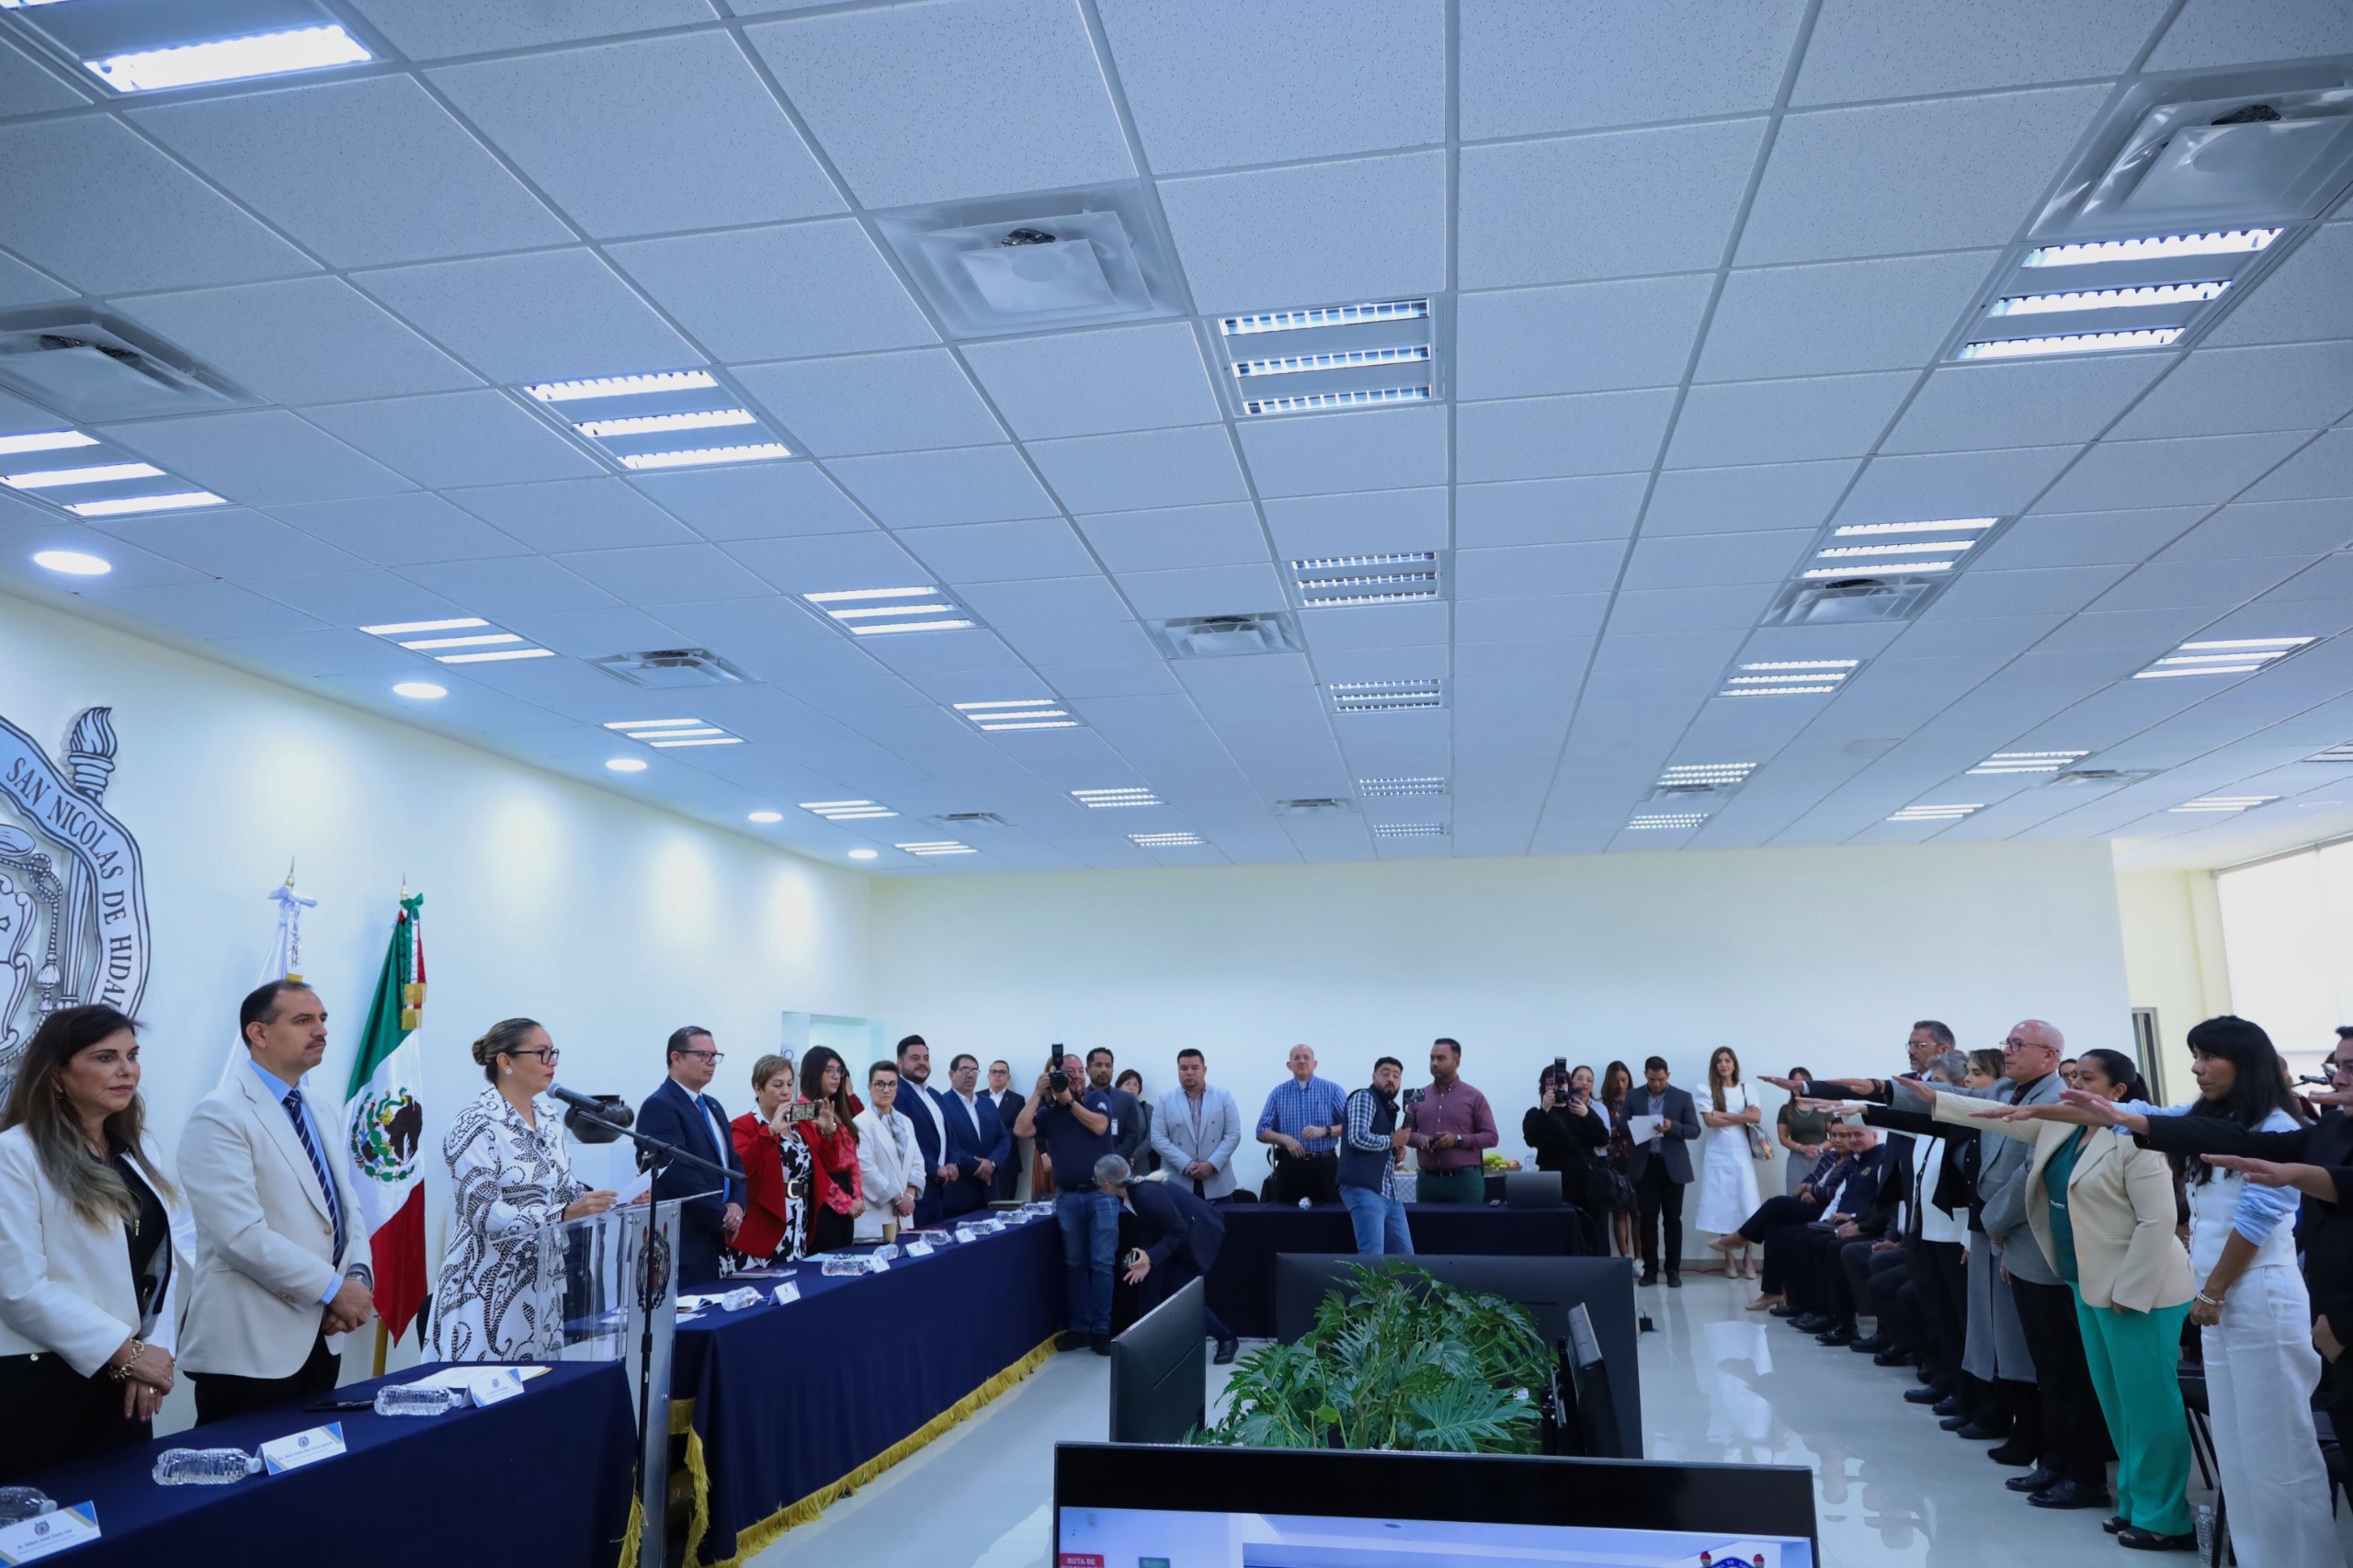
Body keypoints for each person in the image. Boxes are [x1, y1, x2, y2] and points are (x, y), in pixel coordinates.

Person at [2040, 1017, 2337, 1564]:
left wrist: (2213, 1292)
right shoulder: (2212, 1118)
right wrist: (2021, 1111)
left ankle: (2301, 1559)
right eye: (2194, 1056)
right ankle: (2254, 1555)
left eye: (2207, 1057)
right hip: (2218, 1298)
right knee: (2237, 1446)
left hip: (2259, 1295)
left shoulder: (2277, 1126)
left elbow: (2257, 1219)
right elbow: (2132, 1115)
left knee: (2276, 1447)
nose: (2197, 1068)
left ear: (2245, 1062)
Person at [1959, 1048, 2197, 1550]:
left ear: (2118, 1092)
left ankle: (2166, 1518)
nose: (2073, 1086)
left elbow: (2159, 1221)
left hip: (2142, 1292)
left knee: (2150, 1405)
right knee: (2117, 1404)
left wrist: (2130, 1291)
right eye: (2070, 1077)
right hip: (2087, 1284)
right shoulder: (2066, 1130)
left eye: (2086, 1079)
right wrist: (1916, 1098)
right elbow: (1991, 1116)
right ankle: (2135, 1502)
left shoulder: (2137, 1140)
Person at [0, 1006, 191, 1477]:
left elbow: (160, 1266)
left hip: (125, 1381)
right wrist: (129, 1353)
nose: (127, 1070)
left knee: (127, 1510)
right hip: (42, 1379)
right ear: (57, 1076)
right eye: (106, 1057)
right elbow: (19, 1288)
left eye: (132, 1055)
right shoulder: (14, 1154)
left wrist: (154, 1353)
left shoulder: (141, 1149)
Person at [180, 981, 374, 1423]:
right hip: (251, 1346)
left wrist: (357, 1278)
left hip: (323, 1336)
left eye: (322, 1019)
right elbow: (240, 1236)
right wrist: (334, 1290)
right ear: (259, 1033)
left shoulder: (319, 1107)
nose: (321, 1030)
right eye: (303, 1020)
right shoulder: (220, 1113)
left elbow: (348, 1211)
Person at [429, 1019, 617, 1361]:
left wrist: (612, 1202)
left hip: (542, 1283)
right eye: (542, 1053)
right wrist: (561, 1214)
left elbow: (564, 1189)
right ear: (506, 1061)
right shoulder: (475, 1123)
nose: (553, 1061)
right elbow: (482, 1213)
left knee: (540, 1387)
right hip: (484, 1287)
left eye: (553, 1052)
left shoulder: (548, 1118)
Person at [1017, 1052, 1118, 1353]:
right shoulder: (1049, 1113)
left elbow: (1099, 1127)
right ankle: (1079, 1328)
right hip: (1068, 1197)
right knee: (1075, 1264)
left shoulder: (1097, 1098)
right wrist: (1038, 1094)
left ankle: (1102, 1330)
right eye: (1065, 1072)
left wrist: (1069, 1102)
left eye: (1077, 1070)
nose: (1073, 1076)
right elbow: (1021, 1130)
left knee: (1102, 1263)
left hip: (1101, 1195)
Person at [1098, 1153, 1239, 1364]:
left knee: (1180, 1296)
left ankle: (1226, 1337)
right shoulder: (1132, 1193)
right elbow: (1152, 1226)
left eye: (1097, 1179)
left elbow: (1179, 1229)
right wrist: (1146, 1257)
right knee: (1149, 1285)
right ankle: (1146, 1346)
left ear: (1107, 1185)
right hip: (1174, 1240)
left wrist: (1150, 1256)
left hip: (1196, 1235)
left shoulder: (1145, 1194)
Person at [636, 1027, 745, 1289]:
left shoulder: (713, 1105)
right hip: (683, 1239)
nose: (712, 1062)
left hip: (714, 1238)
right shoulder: (660, 1105)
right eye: (703, 1055)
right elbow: (678, 1174)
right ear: (676, 1057)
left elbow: (733, 1162)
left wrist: (738, 1205)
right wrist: (723, 1215)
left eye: (715, 1055)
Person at [729, 1053, 813, 1267]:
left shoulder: (799, 1123)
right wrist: (771, 1131)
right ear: (758, 1089)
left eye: (790, 1084)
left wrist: (830, 1131)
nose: (786, 1091)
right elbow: (741, 1168)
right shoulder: (743, 1125)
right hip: (763, 1225)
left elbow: (827, 1164)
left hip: (798, 1220)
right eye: (777, 1085)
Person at [1624, 1056, 1699, 1287]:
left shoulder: (1682, 1097)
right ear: (1645, 1075)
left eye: (1661, 1079)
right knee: (1647, 1219)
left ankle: (1673, 1270)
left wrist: (1671, 1127)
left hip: (1673, 1166)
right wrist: (1641, 1126)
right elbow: (1621, 1126)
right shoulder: (1633, 1096)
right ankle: (1650, 1269)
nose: (1657, 1084)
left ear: (1668, 1075)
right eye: (1652, 1079)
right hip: (1645, 1165)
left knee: (1672, 1220)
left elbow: (1694, 1130)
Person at [1694, 1047, 1765, 1278]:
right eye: (1719, 1061)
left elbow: (1755, 1117)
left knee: (1747, 1201)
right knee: (1722, 1202)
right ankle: (1729, 1256)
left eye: (1727, 1060)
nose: (1723, 1064)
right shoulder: (1706, 1089)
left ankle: (1748, 1255)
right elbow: (1710, 1122)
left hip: (1742, 1151)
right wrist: (1740, 1117)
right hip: (1718, 1153)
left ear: (1734, 1064)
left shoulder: (1747, 1089)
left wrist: (1722, 1114)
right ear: (1714, 1066)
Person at [1404, 1038, 1496, 1206]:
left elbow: (1491, 1137)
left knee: (1468, 1224)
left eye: (1441, 1058)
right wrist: (1422, 1140)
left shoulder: (1474, 1096)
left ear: (1457, 1062)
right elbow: (1405, 1134)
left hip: (1465, 1183)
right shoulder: (1417, 1096)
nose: (1434, 1063)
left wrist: (1458, 1140)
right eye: (1432, 1058)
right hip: (1428, 1183)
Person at [1339, 1057, 1415, 1257]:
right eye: (1385, 1073)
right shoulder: (1365, 1097)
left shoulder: (1387, 1108)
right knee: (1372, 1258)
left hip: (1389, 1193)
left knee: (1405, 1258)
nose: (1391, 1079)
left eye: (1396, 1076)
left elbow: (1378, 1143)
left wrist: (1395, 1152)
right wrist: (1392, 1141)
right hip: (1364, 1189)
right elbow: (1357, 1137)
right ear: (1374, 1076)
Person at [1256, 1044, 1347, 1204]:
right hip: (1290, 1166)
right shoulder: (1278, 1093)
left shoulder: (1332, 1090)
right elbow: (1261, 1131)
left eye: (1306, 1057)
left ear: (1315, 1064)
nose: (1302, 1061)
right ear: (1289, 1065)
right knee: (1286, 1215)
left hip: (1325, 1167)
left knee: (1331, 1213)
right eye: (1296, 1058)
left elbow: (1352, 1127)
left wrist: (1325, 1131)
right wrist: (1285, 1139)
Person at [1522, 1062, 1608, 1224]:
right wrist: (1544, 1110)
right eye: (1551, 1084)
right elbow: (1532, 1140)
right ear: (1543, 1088)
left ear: (1569, 1086)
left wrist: (1587, 1115)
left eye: (1562, 1083)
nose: (1557, 1088)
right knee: (1555, 1228)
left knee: (1591, 1229)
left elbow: (1603, 1139)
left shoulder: (1579, 1110)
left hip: (1586, 1182)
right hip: (1553, 1183)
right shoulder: (1536, 1114)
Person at [795, 1048, 862, 1254]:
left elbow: (853, 1159)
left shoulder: (838, 1108)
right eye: (829, 1070)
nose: (836, 1076)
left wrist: (857, 1195)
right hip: (822, 1196)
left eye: (839, 1070)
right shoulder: (802, 1109)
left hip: (846, 1190)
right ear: (813, 1072)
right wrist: (845, 1202)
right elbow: (815, 1168)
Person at [1152, 1049, 1241, 1201]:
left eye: (1195, 1068)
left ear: (1204, 1070)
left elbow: (1233, 1135)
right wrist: (1187, 1165)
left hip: (1218, 1181)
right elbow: (1157, 1139)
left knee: (1221, 1218)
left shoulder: (1223, 1097)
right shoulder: (1165, 1100)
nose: (1189, 1073)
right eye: (1184, 1068)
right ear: (1178, 1070)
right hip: (1177, 1181)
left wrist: (1211, 1164)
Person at [853, 1062, 922, 1244]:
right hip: (875, 1218)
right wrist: (897, 1199)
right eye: (880, 1084)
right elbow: (864, 1169)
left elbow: (917, 1162)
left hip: (905, 1215)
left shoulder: (905, 1122)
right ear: (869, 1087)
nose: (886, 1090)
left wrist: (909, 1196)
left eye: (892, 1084)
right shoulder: (860, 1123)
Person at [938, 1053, 1011, 1218]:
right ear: (951, 1074)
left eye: (974, 1070)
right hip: (959, 1191)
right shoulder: (941, 1104)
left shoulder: (988, 1104)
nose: (970, 1074)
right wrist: (977, 1166)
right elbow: (948, 1144)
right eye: (965, 1069)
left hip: (989, 1191)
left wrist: (992, 1163)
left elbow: (1004, 1138)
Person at [892, 1035, 952, 1227]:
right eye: (915, 1058)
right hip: (913, 1189)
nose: (922, 1063)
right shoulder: (897, 1094)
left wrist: (952, 1162)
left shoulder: (934, 1094)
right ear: (899, 1062)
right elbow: (903, 1143)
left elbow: (948, 1136)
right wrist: (935, 1168)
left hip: (940, 1188)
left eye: (926, 1058)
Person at [1597, 1060, 1638, 1258]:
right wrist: (1620, 1130)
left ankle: (1641, 1259)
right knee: (1619, 1210)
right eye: (1616, 1081)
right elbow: (1600, 1134)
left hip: (1637, 1160)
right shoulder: (1601, 1104)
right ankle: (1625, 1258)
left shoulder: (1637, 1101)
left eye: (1624, 1080)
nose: (1621, 1085)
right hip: (1613, 1161)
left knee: (1638, 1212)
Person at [1774, 1064, 1832, 1197]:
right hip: (1797, 1159)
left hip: (1822, 1159)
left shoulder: (1822, 1107)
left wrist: (1819, 1148)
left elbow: (1835, 1136)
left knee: (1821, 1196)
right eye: (1795, 1082)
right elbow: (1783, 1138)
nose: (1799, 1085)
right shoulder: (1786, 1109)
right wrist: (1802, 1148)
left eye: (1803, 1082)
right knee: (1794, 1197)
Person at [1087, 1049, 1147, 1168]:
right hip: (1085, 1165)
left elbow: (1131, 1137)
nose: (1104, 1070)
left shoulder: (1126, 1100)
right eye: (1099, 1065)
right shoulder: (1079, 1100)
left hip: (1117, 1167)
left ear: (1112, 1070)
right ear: (1087, 1070)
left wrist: (1111, 1161)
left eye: (1108, 1066)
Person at [987, 1059, 1025, 1202]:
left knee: (1005, 1205)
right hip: (981, 1161)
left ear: (1008, 1077)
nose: (998, 1075)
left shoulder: (1017, 1100)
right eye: (994, 1072)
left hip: (1007, 1162)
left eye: (1002, 1072)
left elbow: (1015, 1130)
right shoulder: (976, 1097)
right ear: (988, 1076)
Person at [1115, 1069, 1155, 1173]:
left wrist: (1132, 1156)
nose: (1132, 1087)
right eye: (1127, 1083)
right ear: (1119, 1087)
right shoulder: (1112, 1108)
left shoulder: (1147, 1109)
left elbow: (1151, 1138)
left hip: (1141, 1166)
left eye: (1135, 1085)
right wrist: (1121, 1157)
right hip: (1116, 1164)